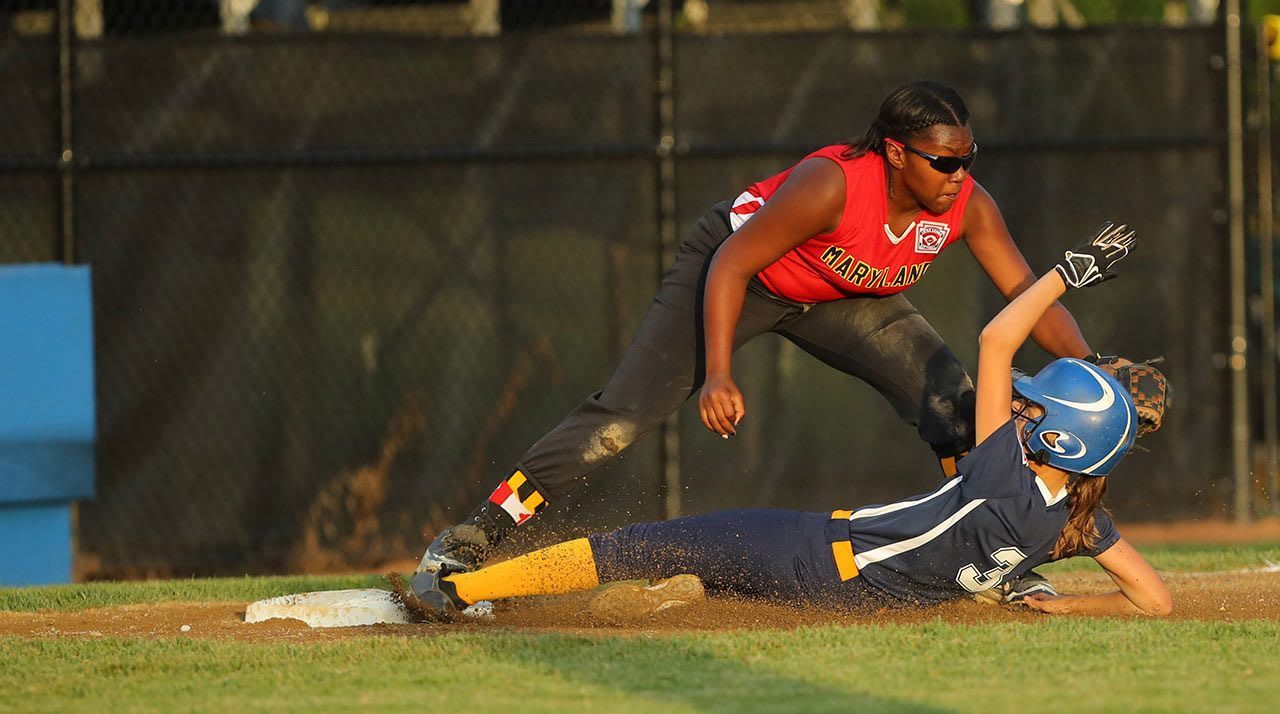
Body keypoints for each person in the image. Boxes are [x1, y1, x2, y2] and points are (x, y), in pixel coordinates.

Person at [416, 80, 1119, 598]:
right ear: (898, 154)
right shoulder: (833, 186)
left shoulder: (965, 205)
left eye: (968, 158)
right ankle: (476, 535)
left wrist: (1091, 369)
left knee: (954, 402)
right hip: (736, 275)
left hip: (841, 299)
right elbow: (732, 261)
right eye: (944, 162)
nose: (959, 174)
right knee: (617, 425)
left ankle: (989, 568)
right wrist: (717, 371)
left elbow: (1026, 291)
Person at [410, 223, 1173, 618]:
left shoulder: (1002, 468)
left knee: (643, 542)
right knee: (713, 570)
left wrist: (1070, 272)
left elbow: (997, 337)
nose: (1014, 405)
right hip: (864, 594)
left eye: (1031, 408)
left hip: (822, 558)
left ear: (1056, 439)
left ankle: (461, 589)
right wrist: (1060, 599)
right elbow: (1154, 599)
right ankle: (684, 590)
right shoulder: (1070, 517)